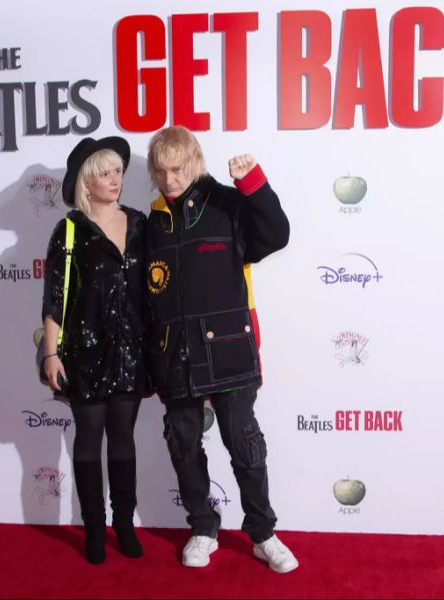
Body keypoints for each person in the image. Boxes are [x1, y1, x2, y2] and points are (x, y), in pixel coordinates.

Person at [143, 126, 298, 573]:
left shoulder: (227, 203)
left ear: (194, 164)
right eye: (162, 171)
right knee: (184, 446)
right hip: (175, 355)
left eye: (178, 169)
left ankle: (263, 534)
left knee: (245, 445)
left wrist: (253, 184)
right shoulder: (150, 223)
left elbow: (276, 234)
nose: (170, 179)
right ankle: (203, 527)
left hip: (229, 349)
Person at [40, 136, 149, 564]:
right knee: (88, 440)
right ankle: (93, 529)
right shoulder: (70, 230)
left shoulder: (140, 223)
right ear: (86, 181)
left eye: (118, 171)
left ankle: (123, 523)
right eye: (104, 172)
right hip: (84, 354)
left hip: (131, 352)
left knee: (123, 439)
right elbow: (54, 297)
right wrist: (52, 354)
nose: (114, 179)